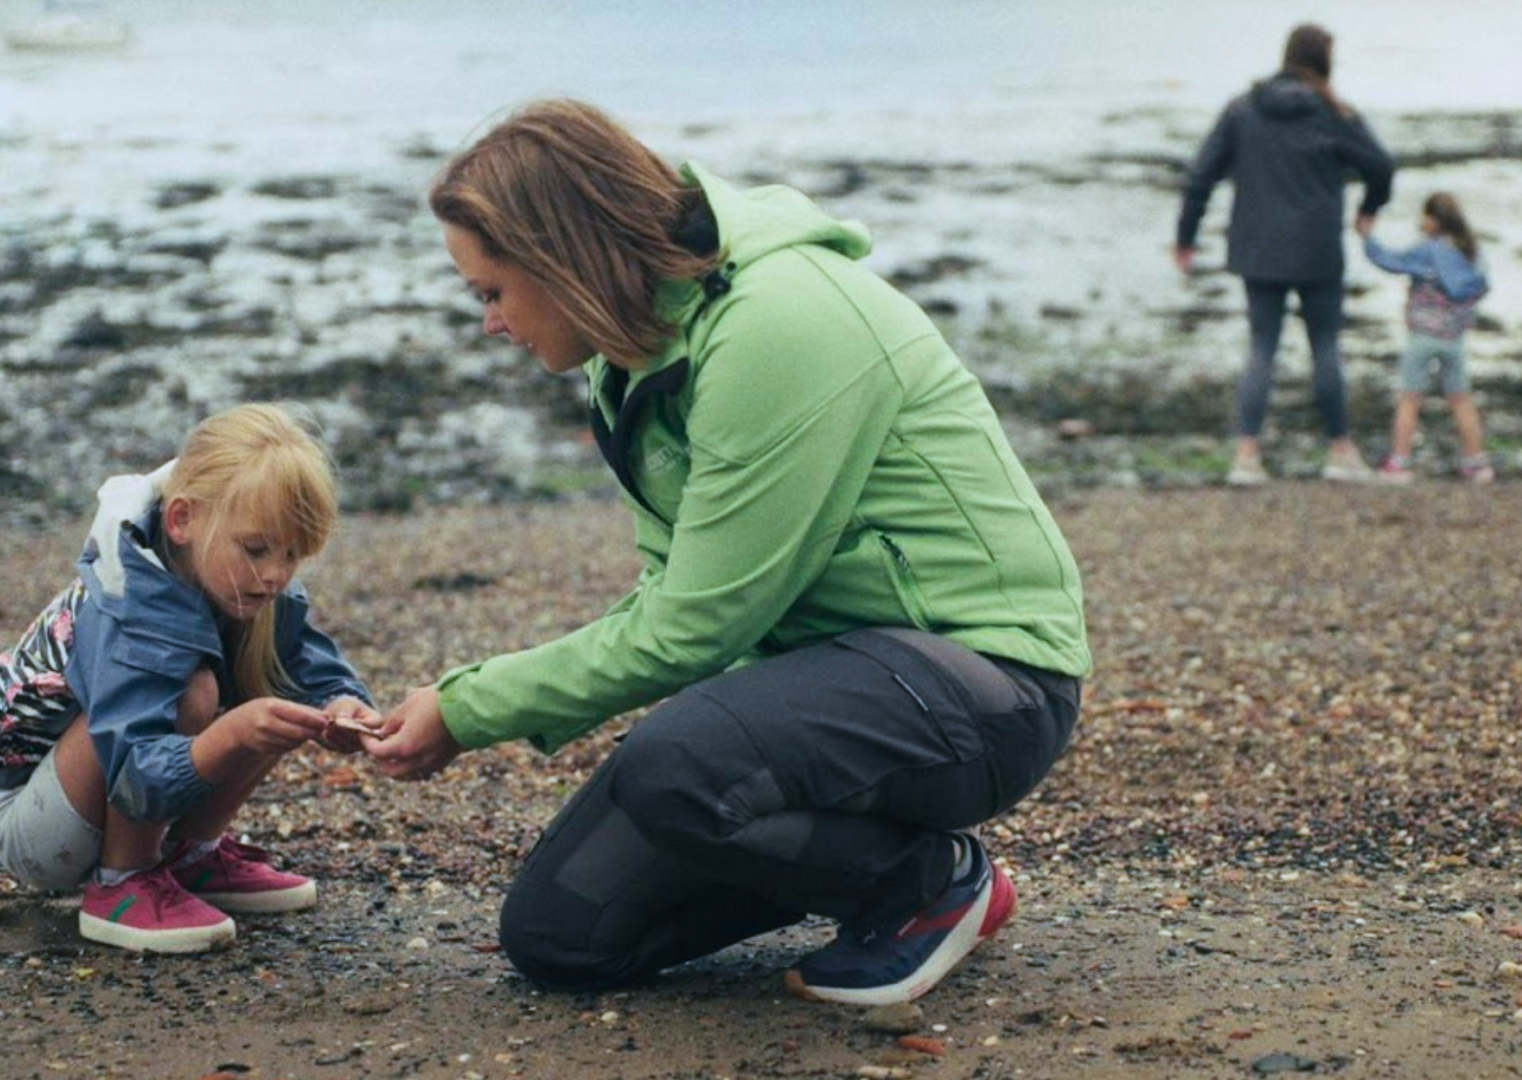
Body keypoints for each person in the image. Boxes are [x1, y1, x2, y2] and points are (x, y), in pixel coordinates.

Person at [367, 99, 1089, 1006]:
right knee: (562, 938)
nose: (490, 324)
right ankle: (853, 858)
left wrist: (470, 706)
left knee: (677, 767)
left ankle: (929, 886)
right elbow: (670, 591)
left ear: (561, 259)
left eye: (491, 291)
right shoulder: (626, 357)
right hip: (833, 688)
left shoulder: (776, 323)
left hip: (988, 683)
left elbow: (698, 626)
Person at [0, 403, 379, 954]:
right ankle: (123, 881)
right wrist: (231, 735)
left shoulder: (244, 579)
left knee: (270, 679)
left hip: (93, 791)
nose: (275, 573)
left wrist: (345, 703)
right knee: (193, 691)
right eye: (256, 549)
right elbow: (132, 767)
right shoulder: (132, 607)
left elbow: (307, 664)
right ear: (182, 520)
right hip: (26, 820)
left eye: (293, 553)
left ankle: (191, 857)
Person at [1174, 22, 1396, 486]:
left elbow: (1200, 176)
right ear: (1323, 62)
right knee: (1326, 347)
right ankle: (1339, 452)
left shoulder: (1242, 109)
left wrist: (1186, 237)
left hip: (1257, 251)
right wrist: (1369, 210)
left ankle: (1247, 457)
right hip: (1318, 251)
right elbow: (1381, 166)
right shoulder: (1334, 112)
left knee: (1261, 348)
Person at [1357, 193, 1493, 484]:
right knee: (1461, 399)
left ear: (1434, 220)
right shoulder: (1471, 252)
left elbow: (1388, 261)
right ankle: (1476, 462)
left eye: (1424, 216)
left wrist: (1368, 237)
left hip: (1423, 336)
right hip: (1454, 337)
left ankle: (1400, 461)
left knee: (1409, 398)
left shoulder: (1428, 251)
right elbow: (1481, 287)